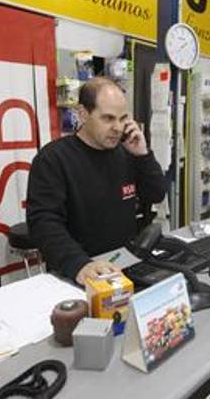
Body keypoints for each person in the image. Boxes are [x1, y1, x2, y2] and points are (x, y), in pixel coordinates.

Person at [27, 77, 166, 285]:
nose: (118, 128)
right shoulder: (53, 159)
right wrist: (80, 264)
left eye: (122, 118)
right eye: (108, 118)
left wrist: (143, 155)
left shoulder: (127, 152)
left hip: (125, 266)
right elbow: (44, 223)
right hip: (78, 272)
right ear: (83, 114)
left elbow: (156, 194)